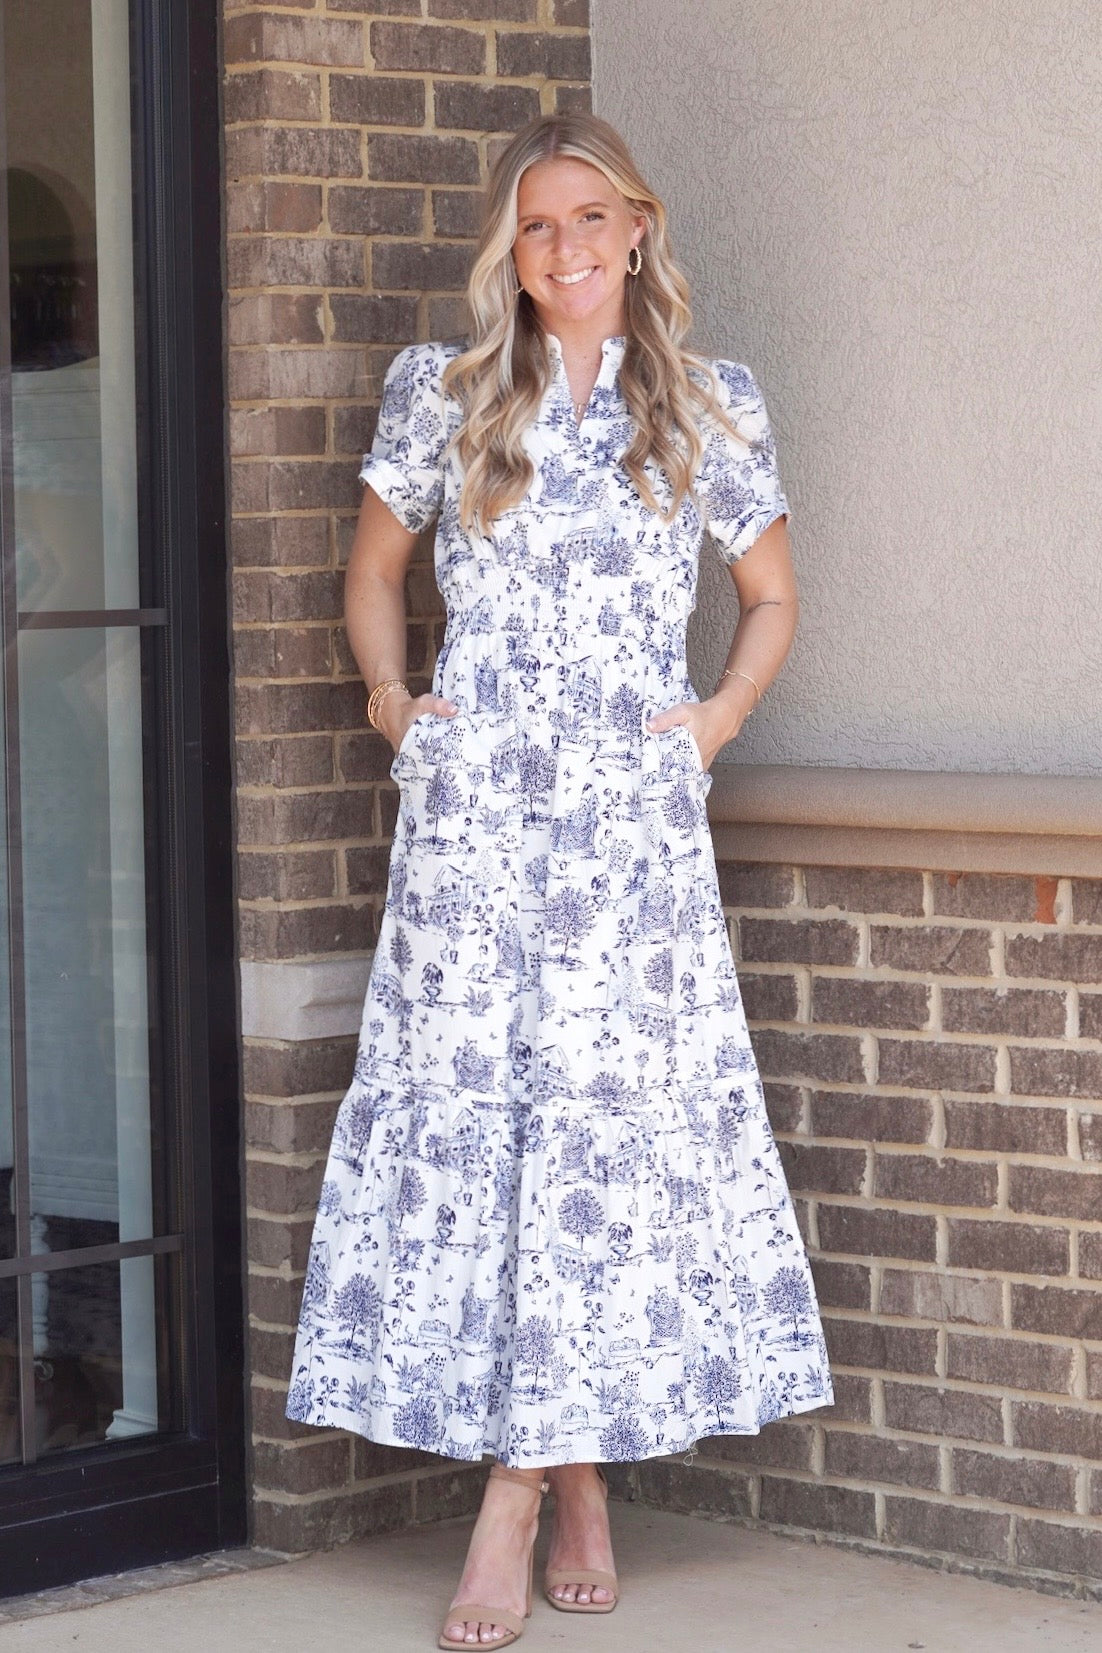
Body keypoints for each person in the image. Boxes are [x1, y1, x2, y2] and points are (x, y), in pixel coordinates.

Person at [285, 111, 833, 1649]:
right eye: (538, 225)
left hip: (626, 835)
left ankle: (515, 1498)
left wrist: (713, 721)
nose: (566, 247)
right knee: (502, 1132)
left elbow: (770, 594)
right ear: (510, 251)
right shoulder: (449, 390)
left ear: (637, 230)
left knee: (597, 1138)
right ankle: (574, 1476)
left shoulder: (709, 404)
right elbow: (372, 570)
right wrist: (394, 703)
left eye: (591, 218)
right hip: (473, 829)